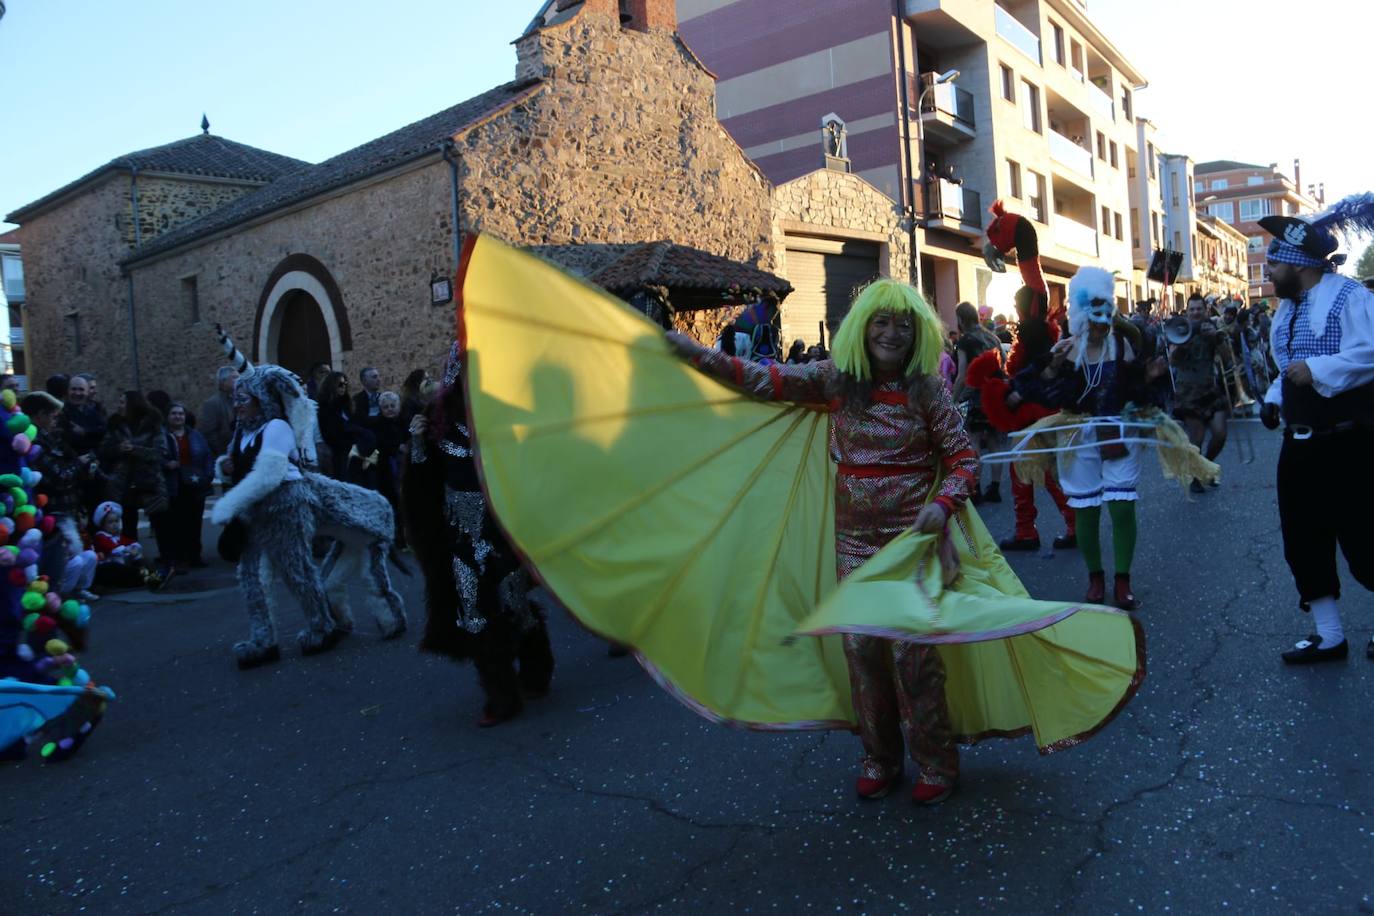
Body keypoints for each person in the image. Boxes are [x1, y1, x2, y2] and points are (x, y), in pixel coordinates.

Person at [669, 279, 975, 804]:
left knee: (911, 656)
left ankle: (936, 763)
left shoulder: (927, 389)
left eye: (903, 324)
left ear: (918, 333)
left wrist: (942, 505)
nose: (892, 333)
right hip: (854, 539)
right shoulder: (837, 380)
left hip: (911, 545)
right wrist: (696, 355)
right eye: (881, 322)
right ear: (862, 328)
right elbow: (764, 379)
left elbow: (964, 460)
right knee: (861, 650)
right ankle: (879, 758)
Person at [403, 343, 554, 726]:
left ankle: (536, 672)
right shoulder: (435, 419)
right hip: (462, 536)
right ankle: (501, 696)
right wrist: (418, 445)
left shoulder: (507, 414)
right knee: (472, 613)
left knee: (514, 608)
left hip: (504, 533)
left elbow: (534, 470)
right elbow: (423, 483)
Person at [1255, 198, 1374, 664]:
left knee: (1366, 540)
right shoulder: (1287, 310)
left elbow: (1369, 354)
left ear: (1300, 266)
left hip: (1351, 443)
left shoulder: (1351, 297)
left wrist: (1319, 368)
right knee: (1303, 538)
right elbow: (1288, 368)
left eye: (1275, 263)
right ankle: (1329, 635)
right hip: (1300, 446)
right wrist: (1273, 398)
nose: (1268, 271)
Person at [1024, 268, 1170, 609]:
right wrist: (1051, 369)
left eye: (1107, 312)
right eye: (1095, 313)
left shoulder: (1123, 346)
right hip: (1077, 435)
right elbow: (1040, 391)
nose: (1102, 322)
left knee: (1121, 507)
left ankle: (1122, 581)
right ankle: (1095, 578)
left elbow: (1137, 391)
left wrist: (1149, 376)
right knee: (1086, 510)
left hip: (1118, 430)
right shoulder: (1065, 349)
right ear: (1080, 314)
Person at [25, 392, 100, 601]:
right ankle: (60, 596)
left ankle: (75, 590)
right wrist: (79, 464)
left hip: (68, 507)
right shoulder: (36, 443)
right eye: (53, 416)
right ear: (40, 416)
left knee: (80, 553)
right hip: (52, 511)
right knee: (66, 558)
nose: (56, 421)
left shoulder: (53, 439)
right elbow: (59, 476)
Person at [99, 391, 173, 580]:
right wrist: (118, 449)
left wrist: (135, 449)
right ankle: (134, 567)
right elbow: (104, 450)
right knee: (128, 525)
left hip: (149, 480)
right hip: (124, 482)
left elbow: (160, 453)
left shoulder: (153, 423)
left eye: (122, 401)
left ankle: (168, 562)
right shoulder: (115, 424)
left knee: (161, 524)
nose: (119, 405)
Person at [1170, 293, 1235, 492]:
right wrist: (1185, 341)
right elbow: (1173, 360)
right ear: (1187, 312)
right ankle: (1198, 475)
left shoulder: (1212, 327)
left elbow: (1227, 359)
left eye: (1199, 309)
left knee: (1220, 434)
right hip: (1188, 391)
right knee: (1196, 438)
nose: (1196, 312)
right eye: (1192, 309)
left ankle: (1204, 467)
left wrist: (1217, 339)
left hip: (1209, 389)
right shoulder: (1180, 328)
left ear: (1205, 311)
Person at [951, 302, 1004, 505]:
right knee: (994, 441)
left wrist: (953, 398)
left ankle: (976, 490)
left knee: (974, 441)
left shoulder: (965, 341)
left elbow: (962, 374)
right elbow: (1004, 363)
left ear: (961, 319)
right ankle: (996, 488)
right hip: (995, 394)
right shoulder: (993, 337)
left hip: (975, 396)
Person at [163, 403, 214, 571]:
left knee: (194, 522)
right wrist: (166, 464)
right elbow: (155, 456)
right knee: (176, 523)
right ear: (168, 417)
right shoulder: (163, 436)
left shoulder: (195, 435)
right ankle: (179, 557)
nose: (178, 416)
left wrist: (208, 475)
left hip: (194, 484)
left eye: (180, 414)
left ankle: (195, 555)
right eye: (174, 413)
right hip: (174, 485)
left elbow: (207, 455)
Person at [89, 502, 163, 590]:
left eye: (116, 521)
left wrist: (134, 547)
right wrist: (128, 550)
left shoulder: (116, 536)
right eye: (110, 522)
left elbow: (130, 542)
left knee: (141, 560)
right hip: (107, 568)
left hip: (120, 566)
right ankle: (147, 578)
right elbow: (112, 548)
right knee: (119, 568)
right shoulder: (100, 536)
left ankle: (153, 575)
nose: (114, 525)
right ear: (102, 525)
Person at [200, 366, 240, 458]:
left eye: (238, 377)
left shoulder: (240, 399)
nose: (238, 380)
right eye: (234, 377)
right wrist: (223, 455)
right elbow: (209, 433)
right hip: (226, 454)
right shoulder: (212, 403)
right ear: (223, 381)